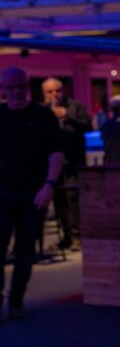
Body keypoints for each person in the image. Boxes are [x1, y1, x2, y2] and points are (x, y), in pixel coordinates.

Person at [0, 67, 63, 321]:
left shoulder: (43, 116)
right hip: (2, 192)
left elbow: (56, 153)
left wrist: (49, 185)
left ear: (27, 87)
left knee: (26, 250)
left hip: (33, 192)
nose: (16, 92)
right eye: (11, 87)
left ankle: (16, 301)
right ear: (4, 89)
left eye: (21, 87)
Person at [41, 77, 91, 248]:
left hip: (73, 161)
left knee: (73, 199)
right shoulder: (43, 110)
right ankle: (66, 235)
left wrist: (68, 116)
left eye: (58, 90)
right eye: (50, 92)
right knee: (59, 200)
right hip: (52, 164)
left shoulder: (75, 106)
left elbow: (88, 126)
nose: (55, 94)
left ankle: (77, 235)